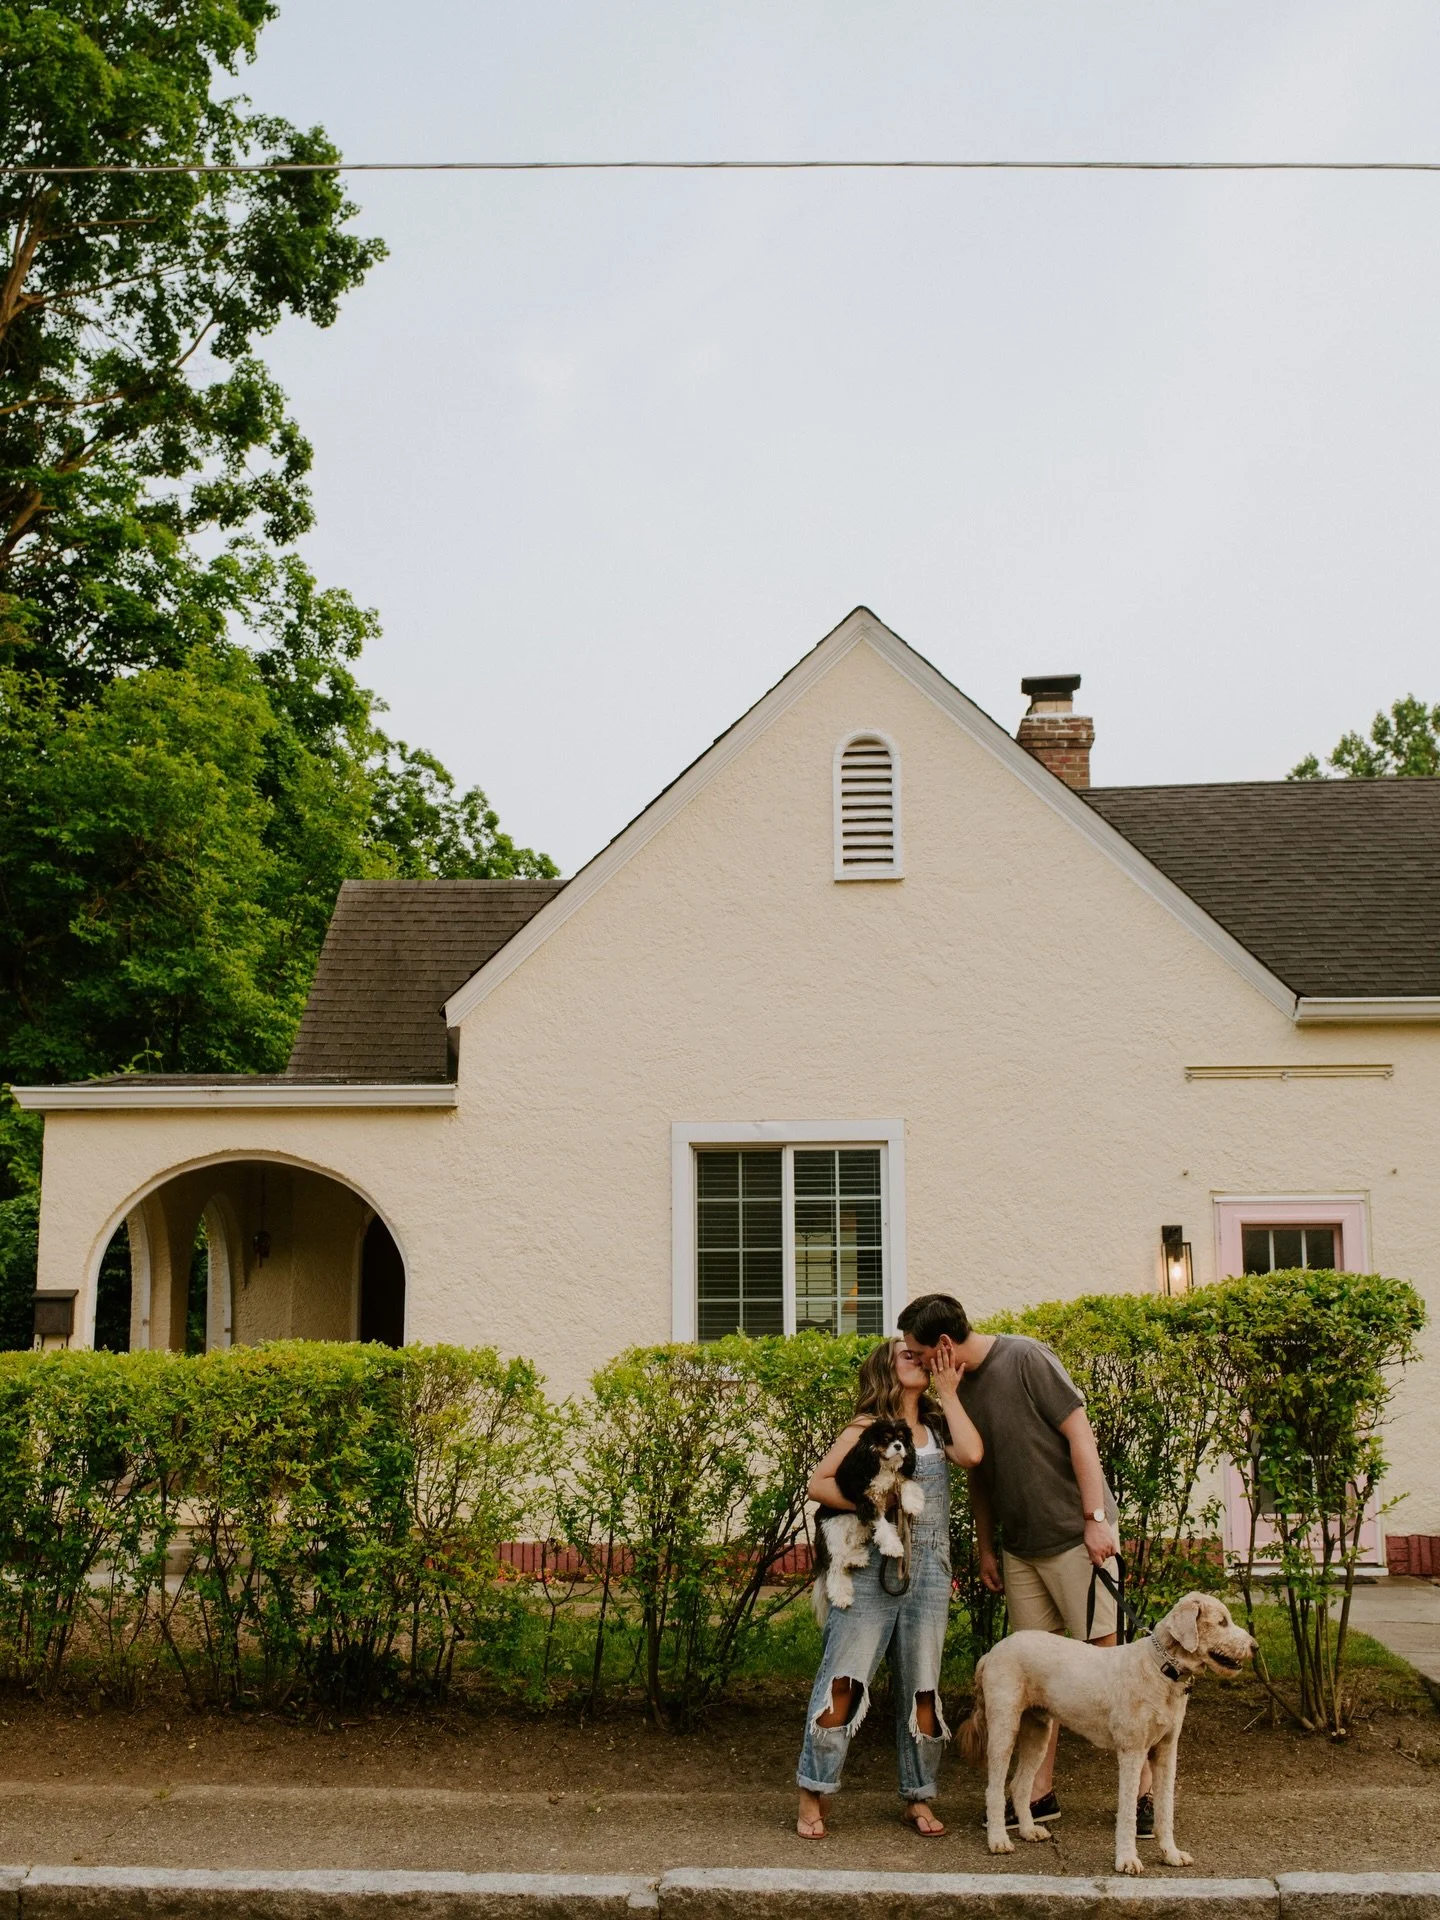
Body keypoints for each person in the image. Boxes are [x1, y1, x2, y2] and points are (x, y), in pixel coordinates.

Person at [896, 1291, 1152, 1836]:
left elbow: (1080, 1434)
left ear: (944, 1345)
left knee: (1109, 1671)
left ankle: (1144, 1796)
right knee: (1038, 1681)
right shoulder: (956, 1389)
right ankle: (1038, 1795)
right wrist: (988, 1547)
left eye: (918, 1352)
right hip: (1021, 1550)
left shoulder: (1026, 1357)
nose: (912, 1360)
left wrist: (1096, 1518)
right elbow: (978, 1473)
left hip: (1077, 1540)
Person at [795, 1337, 984, 1841]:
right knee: (845, 1678)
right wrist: (871, 1506)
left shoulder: (938, 1428)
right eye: (906, 1353)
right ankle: (814, 1790)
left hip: (929, 1569)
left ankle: (919, 1795)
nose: (917, 1358)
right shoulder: (864, 1428)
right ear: (885, 1367)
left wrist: (949, 1391)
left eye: (921, 1354)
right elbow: (819, 1484)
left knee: (923, 1686)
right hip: (872, 1566)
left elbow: (972, 1454)